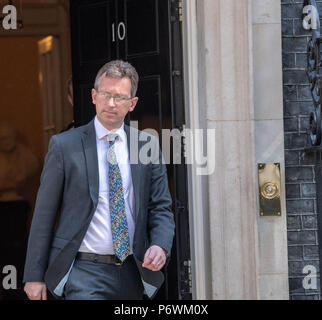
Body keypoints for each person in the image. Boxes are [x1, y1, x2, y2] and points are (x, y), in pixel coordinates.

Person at [23, 60, 175, 300]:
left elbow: (161, 207)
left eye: (120, 97)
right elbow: (44, 214)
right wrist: (34, 275)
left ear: (132, 103)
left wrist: (160, 245)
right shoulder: (64, 146)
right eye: (105, 94)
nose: (111, 103)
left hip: (132, 271)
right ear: (94, 96)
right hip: (84, 271)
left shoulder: (147, 145)